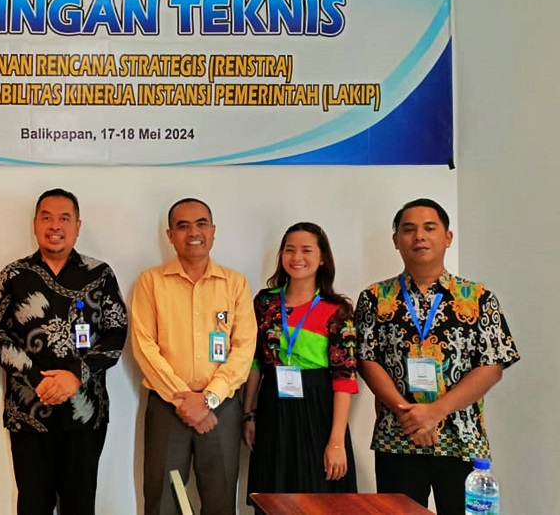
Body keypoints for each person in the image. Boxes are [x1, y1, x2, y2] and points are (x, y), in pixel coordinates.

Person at [357, 198, 520, 514]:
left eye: (429, 228)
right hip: (397, 438)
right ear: (396, 240)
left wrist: (435, 412)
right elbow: (367, 360)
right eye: (409, 229)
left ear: (447, 237)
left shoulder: (478, 297)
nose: (419, 236)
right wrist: (409, 415)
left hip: (463, 440)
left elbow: (492, 366)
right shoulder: (374, 298)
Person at [0, 188, 128, 515]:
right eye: (46, 217)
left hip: (86, 414)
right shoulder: (14, 275)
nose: (55, 226)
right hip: (29, 415)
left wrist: (75, 376)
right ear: (35, 224)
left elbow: (116, 332)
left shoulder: (100, 274)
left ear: (78, 226)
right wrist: (37, 379)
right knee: (33, 505)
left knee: (80, 505)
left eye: (64, 218)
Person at [130, 197, 257, 515]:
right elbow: (145, 347)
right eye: (183, 226)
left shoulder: (235, 283)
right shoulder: (151, 282)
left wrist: (209, 398)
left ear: (213, 231)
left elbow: (244, 348)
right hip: (167, 406)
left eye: (201, 224)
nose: (193, 232)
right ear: (170, 235)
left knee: (220, 500)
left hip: (222, 407)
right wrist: (184, 401)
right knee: (162, 500)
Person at [242, 222, 358, 497]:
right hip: (272, 408)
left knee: (318, 496)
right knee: (274, 494)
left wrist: (337, 441)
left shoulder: (338, 310)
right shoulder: (265, 303)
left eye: (306, 250)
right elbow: (255, 361)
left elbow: (345, 378)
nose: (297, 257)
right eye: (289, 250)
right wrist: (248, 415)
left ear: (322, 258)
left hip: (318, 409)